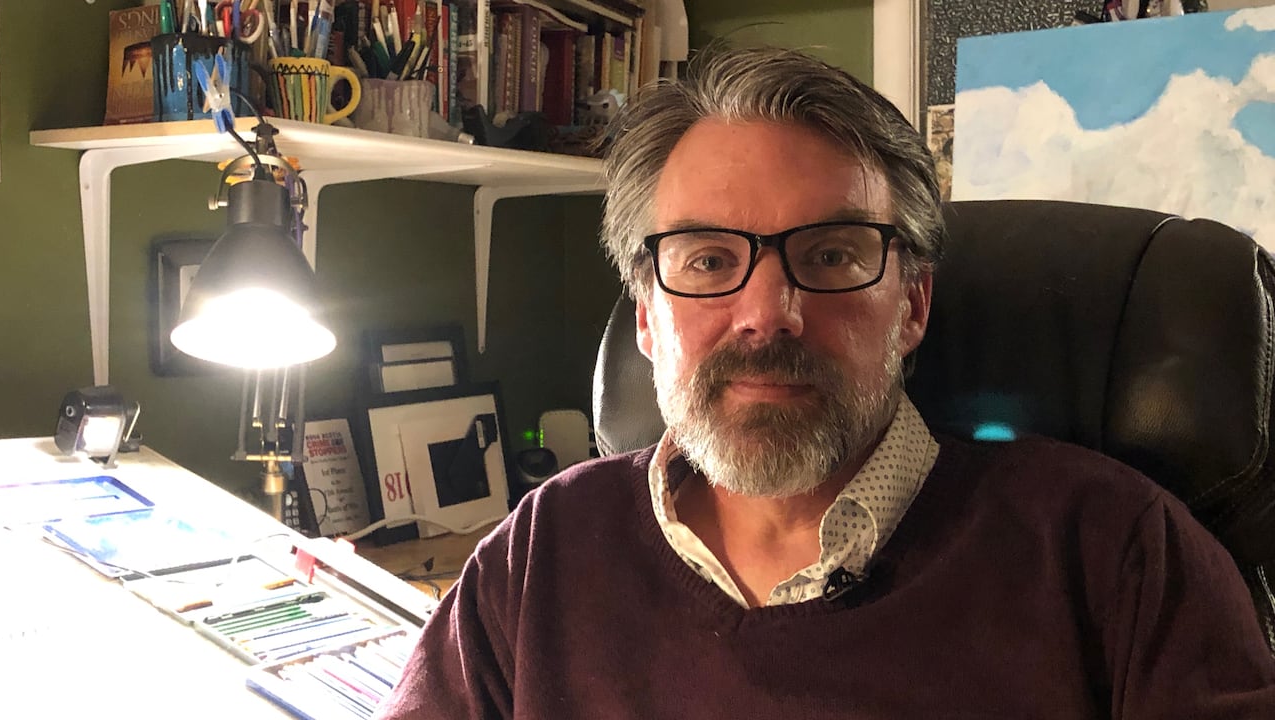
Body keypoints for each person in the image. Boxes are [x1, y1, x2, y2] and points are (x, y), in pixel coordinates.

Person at [376, 47, 1275, 719]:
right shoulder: (545, 551)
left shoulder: (1118, 553)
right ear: (647, 317)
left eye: (833, 254)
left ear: (913, 304)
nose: (769, 312)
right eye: (708, 258)